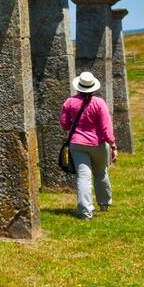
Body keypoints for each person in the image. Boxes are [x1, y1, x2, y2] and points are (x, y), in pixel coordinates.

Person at [60, 72, 118, 219]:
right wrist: (113, 145)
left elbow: (65, 124)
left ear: (79, 87)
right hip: (97, 144)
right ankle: (104, 202)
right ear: (93, 88)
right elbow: (106, 128)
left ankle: (85, 211)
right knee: (101, 173)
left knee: (83, 177)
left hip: (77, 144)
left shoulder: (69, 102)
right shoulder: (99, 103)